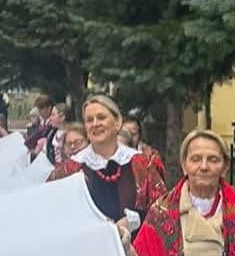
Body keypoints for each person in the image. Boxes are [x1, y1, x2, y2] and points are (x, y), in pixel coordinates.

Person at [51, 94, 165, 227]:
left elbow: (162, 210)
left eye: (101, 117)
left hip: (136, 239)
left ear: (118, 122)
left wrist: (135, 220)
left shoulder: (141, 164)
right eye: (89, 120)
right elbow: (54, 212)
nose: (95, 124)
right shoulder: (71, 168)